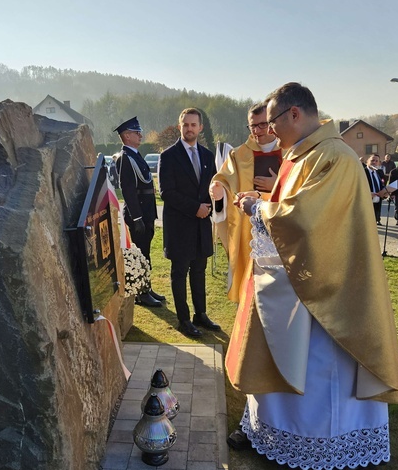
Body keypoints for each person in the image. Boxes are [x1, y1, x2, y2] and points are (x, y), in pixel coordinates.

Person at [225, 82, 398, 470]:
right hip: (300, 278)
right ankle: (272, 433)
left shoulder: (334, 156)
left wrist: (259, 206)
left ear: (295, 114)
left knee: (325, 372)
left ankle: (332, 449)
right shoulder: (303, 155)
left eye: (273, 122)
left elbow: (307, 219)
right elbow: (295, 211)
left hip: (330, 291)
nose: (269, 131)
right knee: (281, 351)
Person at [209, 102, 281, 303]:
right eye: (252, 126)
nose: (257, 131)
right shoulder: (239, 154)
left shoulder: (290, 151)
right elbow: (223, 178)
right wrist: (218, 189)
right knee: (250, 285)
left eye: (262, 125)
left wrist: (277, 185)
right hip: (249, 229)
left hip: (282, 227)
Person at [159, 108, 221, 338]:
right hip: (180, 227)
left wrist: (210, 207)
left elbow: (213, 189)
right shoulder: (168, 156)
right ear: (179, 126)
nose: (189, 128)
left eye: (194, 125)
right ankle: (184, 319)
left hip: (201, 227)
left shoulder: (207, 156)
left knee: (199, 271)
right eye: (185, 124)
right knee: (179, 273)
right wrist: (195, 208)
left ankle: (200, 315)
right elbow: (167, 192)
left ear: (200, 127)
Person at [113, 116, 164, 307]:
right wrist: (137, 217)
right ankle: (141, 293)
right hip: (138, 214)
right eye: (136, 132)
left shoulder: (135, 155)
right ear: (126, 136)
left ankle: (147, 287)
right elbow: (128, 190)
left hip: (146, 212)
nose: (140, 135)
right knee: (141, 254)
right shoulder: (125, 157)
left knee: (146, 253)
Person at [364, 154, 388, 225]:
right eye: (372, 160)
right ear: (367, 161)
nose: (374, 162)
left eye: (376, 161)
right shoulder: (363, 172)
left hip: (377, 199)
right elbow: (359, 186)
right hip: (367, 201)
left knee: (374, 223)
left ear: (379, 163)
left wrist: (385, 193)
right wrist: (368, 193)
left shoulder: (379, 172)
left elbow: (382, 184)